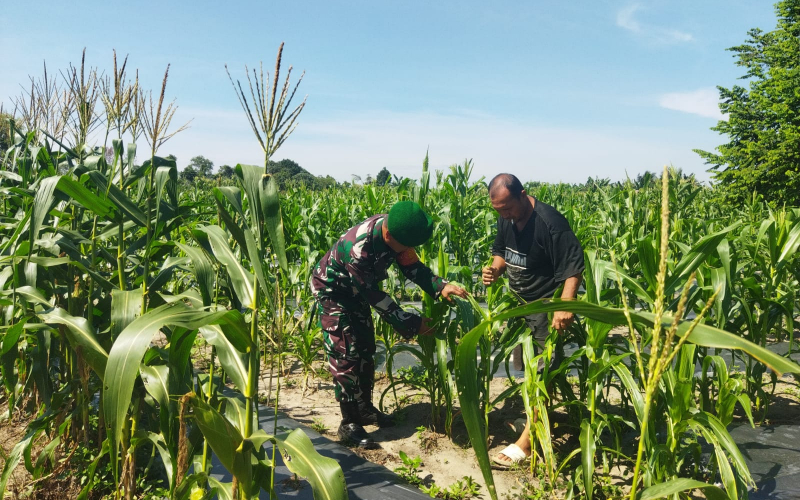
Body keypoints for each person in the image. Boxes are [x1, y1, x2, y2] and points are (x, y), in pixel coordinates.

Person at [311, 200, 468, 448]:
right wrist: (412, 324)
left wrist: (440, 286)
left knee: (365, 346)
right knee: (345, 351)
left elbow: (413, 266)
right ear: (388, 234)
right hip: (334, 292)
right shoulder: (359, 249)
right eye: (405, 246)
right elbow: (374, 295)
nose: (407, 250)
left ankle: (364, 408)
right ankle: (349, 422)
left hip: (357, 291)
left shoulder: (398, 229)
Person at [481, 173, 584, 467]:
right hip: (519, 306)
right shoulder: (507, 216)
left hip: (545, 307)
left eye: (508, 208)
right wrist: (495, 269)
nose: (505, 215)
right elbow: (501, 252)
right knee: (526, 367)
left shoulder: (551, 224)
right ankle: (537, 419)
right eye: (498, 211)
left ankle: (528, 442)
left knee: (542, 371)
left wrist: (566, 304)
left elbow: (574, 267)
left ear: (523, 194)